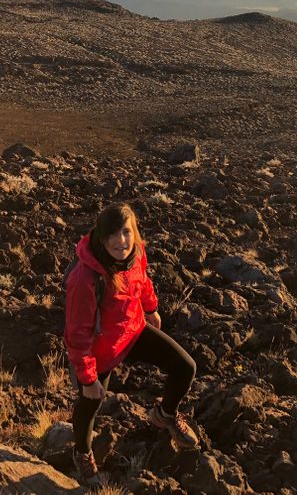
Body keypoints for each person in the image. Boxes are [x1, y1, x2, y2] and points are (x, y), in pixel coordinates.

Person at [64, 202, 199, 486]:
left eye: (126, 232)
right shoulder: (85, 279)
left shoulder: (135, 253)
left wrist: (151, 308)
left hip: (132, 331)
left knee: (185, 367)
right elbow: (77, 335)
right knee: (90, 404)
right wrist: (88, 379)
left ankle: (164, 414)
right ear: (100, 237)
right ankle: (82, 453)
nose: (120, 241)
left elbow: (142, 281)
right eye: (112, 234)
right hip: (101, 352)